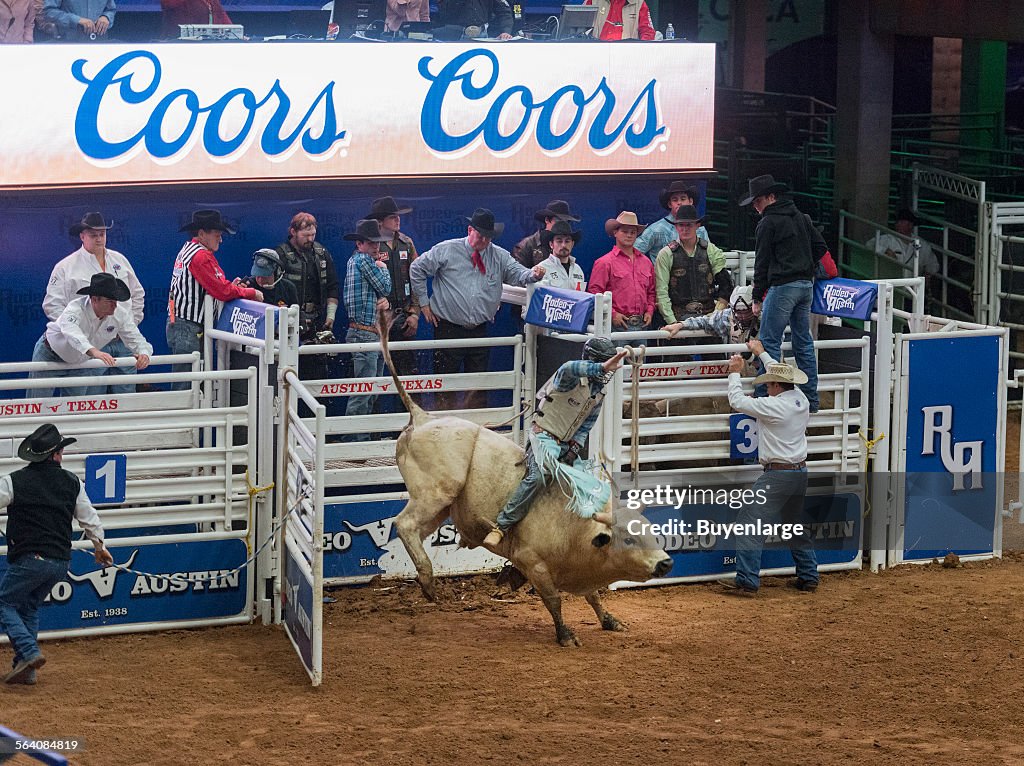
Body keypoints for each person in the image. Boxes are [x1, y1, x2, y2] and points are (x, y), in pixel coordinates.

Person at [484, 338, 628, 547]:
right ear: (593, 361)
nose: (607, 372)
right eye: (604, 364)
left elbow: (586, 425)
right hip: (543, 437)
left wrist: (575, 446)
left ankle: (587, 535)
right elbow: (569, 367)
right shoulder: (568, 378)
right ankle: (501, 526)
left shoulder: (598, 393)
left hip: (565, 445)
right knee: (539, 476)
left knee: (591, 484)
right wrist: (601, 366)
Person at [0, 423, 113, 685]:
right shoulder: (72, 481)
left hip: (30, 558)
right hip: (60, 561)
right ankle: (26, 670)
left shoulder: (14, 481)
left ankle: (28, 653)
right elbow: (89, 518)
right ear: (55, 455)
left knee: (4, 603)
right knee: (28, 606)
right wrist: (100, 546)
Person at [410, 208, 545, 410]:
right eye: (480, 235)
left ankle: (476, 428)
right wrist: (423, 304)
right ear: (469, 230)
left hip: (479, 328)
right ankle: (447, 428)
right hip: (449, 327)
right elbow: (417, 268)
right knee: (446, 383)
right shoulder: (446, 250)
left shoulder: (499, 256)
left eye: (488, 237)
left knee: (479, 383)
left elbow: (519, 275)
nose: (483, 240)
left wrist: (534, 274)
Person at [719, 339, 818, 595]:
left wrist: (734, 372)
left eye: (769, 384)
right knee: (793, 524)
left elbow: (737, 401)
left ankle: (747, 582)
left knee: (750, 523)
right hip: (799, 472)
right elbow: (777, 370)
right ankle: (808, 576)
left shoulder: (774, 406)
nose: (767, 388)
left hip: (778, 474)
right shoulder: (800, 399)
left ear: (775, 386)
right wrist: (762, 354)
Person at [739, 174, 822, 412]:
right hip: (805, 285)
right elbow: (820, 247)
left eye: (758, 201)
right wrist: (804, 264)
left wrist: (757, 296)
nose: (756, 206)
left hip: (784, 286)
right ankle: (810, 399)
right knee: (803, 341)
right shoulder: (802, 218)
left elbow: (762, 262)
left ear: (770, 198)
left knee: (769, 341)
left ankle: (766, 396)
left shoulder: (767, 223)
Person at [43, 212, 145, 394]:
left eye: (102, 234)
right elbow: (53, 305)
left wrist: (127, 324)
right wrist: (81, 333)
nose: (99, 239)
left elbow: (137, 294)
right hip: (91, 343)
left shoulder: (120, 260)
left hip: (122, 340)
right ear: (82, 236)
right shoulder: (66, 266)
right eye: (93, 235)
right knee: (92, 395)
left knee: (127, 395)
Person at [167, 209, 260, 388]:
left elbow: (218, 285)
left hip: (184, 324)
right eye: (217, 234)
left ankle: (190, 414)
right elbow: (221, 290)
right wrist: (251, 293)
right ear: (201, 234)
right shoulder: (200, 256)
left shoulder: (190, 250)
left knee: (192, 381)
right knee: (188, 384)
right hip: (189, 326)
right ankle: (186, 415)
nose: (221, 239)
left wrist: (232, 287)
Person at [30, 273, 151, 399]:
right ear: (94, 299)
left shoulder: (120, 314)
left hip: (80, 362)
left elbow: (135, 337)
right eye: (110, 301)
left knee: (76, 408)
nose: (114, 305)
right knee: (36, 405)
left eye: (115, 301)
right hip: (50, 355)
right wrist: (94, 351)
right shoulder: (75, 308)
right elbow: (71, 331)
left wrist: (143, 353)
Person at [342, 219, 392, 439]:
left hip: (366, 332)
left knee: (367, 391)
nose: (376, 247)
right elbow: (385, 287)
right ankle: (353, 441)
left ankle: (355, 439)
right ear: (360, 243)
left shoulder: (356, 260)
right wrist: (385, 269)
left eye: (378, 243)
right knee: (364, 393)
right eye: (372, 243)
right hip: (365, 333)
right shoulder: (364, 261)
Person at [366, 196, 421, 377]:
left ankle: (408, 407)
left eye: (398, 216)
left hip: (405, 315)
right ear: (380, 222)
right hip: (379, 319)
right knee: (377, 374)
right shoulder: (369, 245)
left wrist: (414, 313)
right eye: (392, 217)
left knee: (408, 374)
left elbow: (417, 278)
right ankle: (379, 407)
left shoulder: (407, 242)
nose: (398, 220)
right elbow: (364, 282)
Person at [655, 205, 732, 326]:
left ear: (697, 225)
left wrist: (715, 315)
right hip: (678, 316)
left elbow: (726, 285)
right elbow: (661, 292)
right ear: (676, 227)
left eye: (689, 225)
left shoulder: (711, 250)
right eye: (681, 225)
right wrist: (672, 322)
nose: (685, 229)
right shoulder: (666, 254)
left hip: (708, 316)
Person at [275, 212, 340, 345]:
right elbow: (273, 290)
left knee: (318, 362)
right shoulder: (281, 254)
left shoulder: (321, 253)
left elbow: (332, 285)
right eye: (305, 235)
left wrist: (330, 316)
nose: (310, 239)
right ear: (293, 232)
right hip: (290, 319)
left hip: (317, 319)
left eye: (313, 235)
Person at [588, 211, 655, 331]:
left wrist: (649, 311)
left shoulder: (646, 262)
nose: (629, 235)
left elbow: (651, 291)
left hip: (642, 323)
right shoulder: (604, 262)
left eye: (633, 232)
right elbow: (595, 293)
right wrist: (613, 314)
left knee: (643, 350)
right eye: (625, 231)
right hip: (616, 324)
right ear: (615, 233)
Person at [665, 285, 759, 346]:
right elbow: (705, 321)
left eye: (746, 311)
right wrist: (681, 324)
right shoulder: (728, 317)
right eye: (738, 312)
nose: (742, 316)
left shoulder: (765, 319)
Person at [636, 181, 708, 261]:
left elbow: (709, 256)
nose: (679, 203)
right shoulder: (656, 229)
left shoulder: (700, 230)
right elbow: (634, 252)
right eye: (675, 200)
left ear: (691, 201)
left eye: (683, 199)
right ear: (670, 204)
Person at [866, 207, 939, 278]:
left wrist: (927, 275)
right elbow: (869, 245)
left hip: (911, 286)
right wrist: (885, 250)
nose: (898, 224)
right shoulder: (888, 239)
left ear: (910, 225)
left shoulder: (922, 245)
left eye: (902, 222)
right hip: (890, 282)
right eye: (898, 222)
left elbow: (933, 265)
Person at [513, 199, 581, 269]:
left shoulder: (565, 245)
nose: (562, 225)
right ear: (547, 220)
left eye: (565, 221)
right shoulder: (526, 246)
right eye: (558, 220)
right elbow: (517, 276)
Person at [537, 220, 586, 291]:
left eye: (567, 241)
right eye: (559, 241)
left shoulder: (578, 270)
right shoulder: (541, 269)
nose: (563, 245)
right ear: (551, 244)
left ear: (572, 244)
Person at [436, 0, 513, 39]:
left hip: (481, 34)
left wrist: (506, 32)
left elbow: (504, 11)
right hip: (454, 34)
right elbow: (443, 12)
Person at [41, 0, 114, 39]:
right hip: (69, 41)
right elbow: (49, 11)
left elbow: (111, 9)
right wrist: (76, 20)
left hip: (100, 41)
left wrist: (106, 17)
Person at [585, 0, 655, 41]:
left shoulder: (639, 3)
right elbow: (580, 29)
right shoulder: (592, 1)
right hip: (598, 54)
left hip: (627, 56)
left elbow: (648, 33)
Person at [159, 0, 231, 39]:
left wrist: (236, 35)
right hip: (177, 42)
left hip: (208, 43)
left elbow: (221, 14)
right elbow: (167, 4)